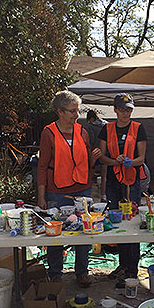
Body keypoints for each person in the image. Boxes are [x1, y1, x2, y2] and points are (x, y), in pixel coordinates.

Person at [37, 90, 102, 287]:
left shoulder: (83, 132)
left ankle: (82, 272)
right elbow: (42, 166)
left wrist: (94, 158)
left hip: (82, 188)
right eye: (72, 111)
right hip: (57, 190)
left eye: (78, 110)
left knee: (84, 231)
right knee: (56, 232)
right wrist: (41, 196)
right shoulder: (48, 133)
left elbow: (86, 163)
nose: (77, 115)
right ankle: (55, 273)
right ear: (60, 112)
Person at [98, 93, 147, 288]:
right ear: (115, 110)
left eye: (129, 109)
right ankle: (122, 264)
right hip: (113, 181)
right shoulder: (106, 129)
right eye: (122, 109)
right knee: (117, 223)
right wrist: (113, 161)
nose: (125, 113)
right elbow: (101, 156)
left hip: (131, 181)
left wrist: (130, 162)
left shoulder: (138, 128)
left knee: (132, 223)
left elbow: (141, 158)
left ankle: (132, 270)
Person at [85, 109, 108, 201]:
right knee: (104, 175)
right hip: (105, 152)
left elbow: (91, 140)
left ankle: (89, 195)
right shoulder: (106, 124)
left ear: (90, 118)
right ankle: (103, 195)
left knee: (90, 173)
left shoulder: (90, 126)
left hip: (95, 152)